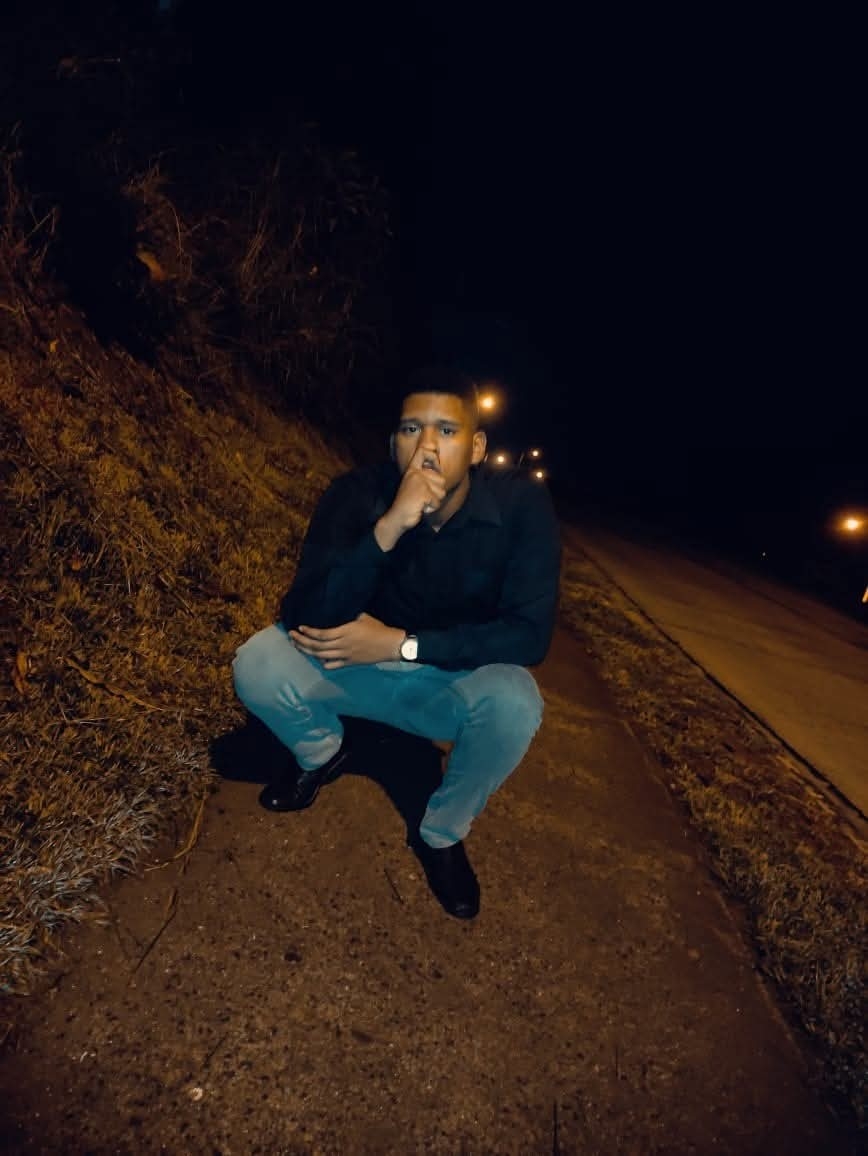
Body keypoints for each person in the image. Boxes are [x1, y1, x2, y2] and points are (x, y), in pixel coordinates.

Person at [232, 366, 561, 919]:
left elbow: (529, 635)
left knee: (515, 703)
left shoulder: (521, 507)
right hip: (356, 668)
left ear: (477, 448)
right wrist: (389, 526)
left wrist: (402, 645)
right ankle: (320, 752)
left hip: (445, 681)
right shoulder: (356, 493)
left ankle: (441, 833)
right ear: (393, 443)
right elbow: (304, 612)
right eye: (412, 429)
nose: (427, 447)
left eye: (447, 431)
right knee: (259, 662)